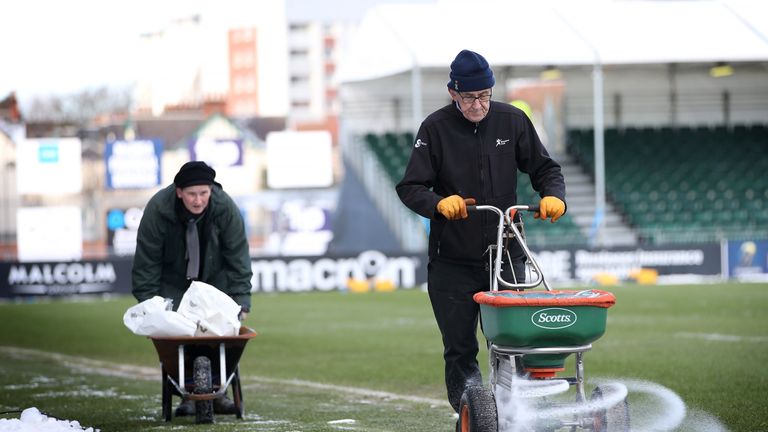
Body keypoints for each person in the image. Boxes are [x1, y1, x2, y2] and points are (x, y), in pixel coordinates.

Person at [395, 49, 566, 415]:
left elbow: (545, 168)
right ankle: (470, 413)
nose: (479, 104)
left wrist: (553, 196)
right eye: (470, 97)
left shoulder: (512, 120)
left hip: (505, 253)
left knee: (511, 342)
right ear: (453, 93)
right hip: (452, 260)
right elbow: (410, 187)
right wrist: (438, 203)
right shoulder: (434, 129)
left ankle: (517, 413)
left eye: (485, 95)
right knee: (459, 348)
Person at [132, 160, 253, 416]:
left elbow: (238, 256)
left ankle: (220, 394)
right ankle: (185, 394)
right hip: (172, 280)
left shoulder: (225, 208)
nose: (198, 201)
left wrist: (241, 300)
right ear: (179, 192)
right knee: (180, 336)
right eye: (191, 194)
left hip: (215, 278)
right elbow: (147, 260)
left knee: (218, 334)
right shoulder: (158, 209)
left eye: (203, 193)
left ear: (211, 190)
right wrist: (148, 304)